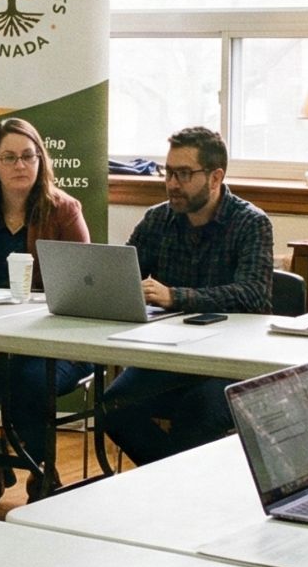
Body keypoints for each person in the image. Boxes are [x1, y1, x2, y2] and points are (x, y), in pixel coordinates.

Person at [0, 117, 93, 504]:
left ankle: (43, 469)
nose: (20, 165)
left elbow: (82, 287)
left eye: (28, 156)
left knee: (26, 383)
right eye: (8, 157)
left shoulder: (64, 210)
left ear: (41, 160)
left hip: (53, 341)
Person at [106, 127, 273, 465]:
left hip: (231, 362)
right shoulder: (159, 219)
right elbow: (121, 276)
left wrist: (176, 297)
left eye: (183, 174)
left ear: (215, 177)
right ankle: (167, 485)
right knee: (113, 406)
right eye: (168, 172)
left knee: (195, 417)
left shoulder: (251, 224)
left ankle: (168, 492)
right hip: (170, 356)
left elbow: (253, 295)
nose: (171, 184)